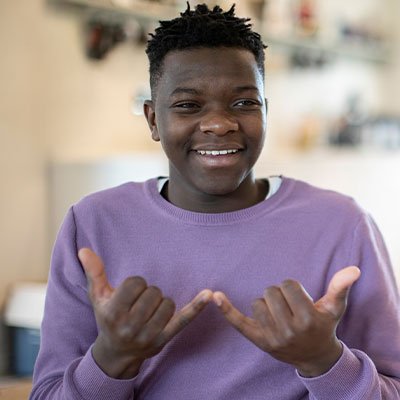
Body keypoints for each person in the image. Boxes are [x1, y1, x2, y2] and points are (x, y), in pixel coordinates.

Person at [30, 3, 400, 399]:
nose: (220, 123)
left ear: (266, 112)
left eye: (244, 103)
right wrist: (112, 357)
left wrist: (323, 361)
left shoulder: (342, 224)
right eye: (189, 105)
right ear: (153, 120)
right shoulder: (92, 223)